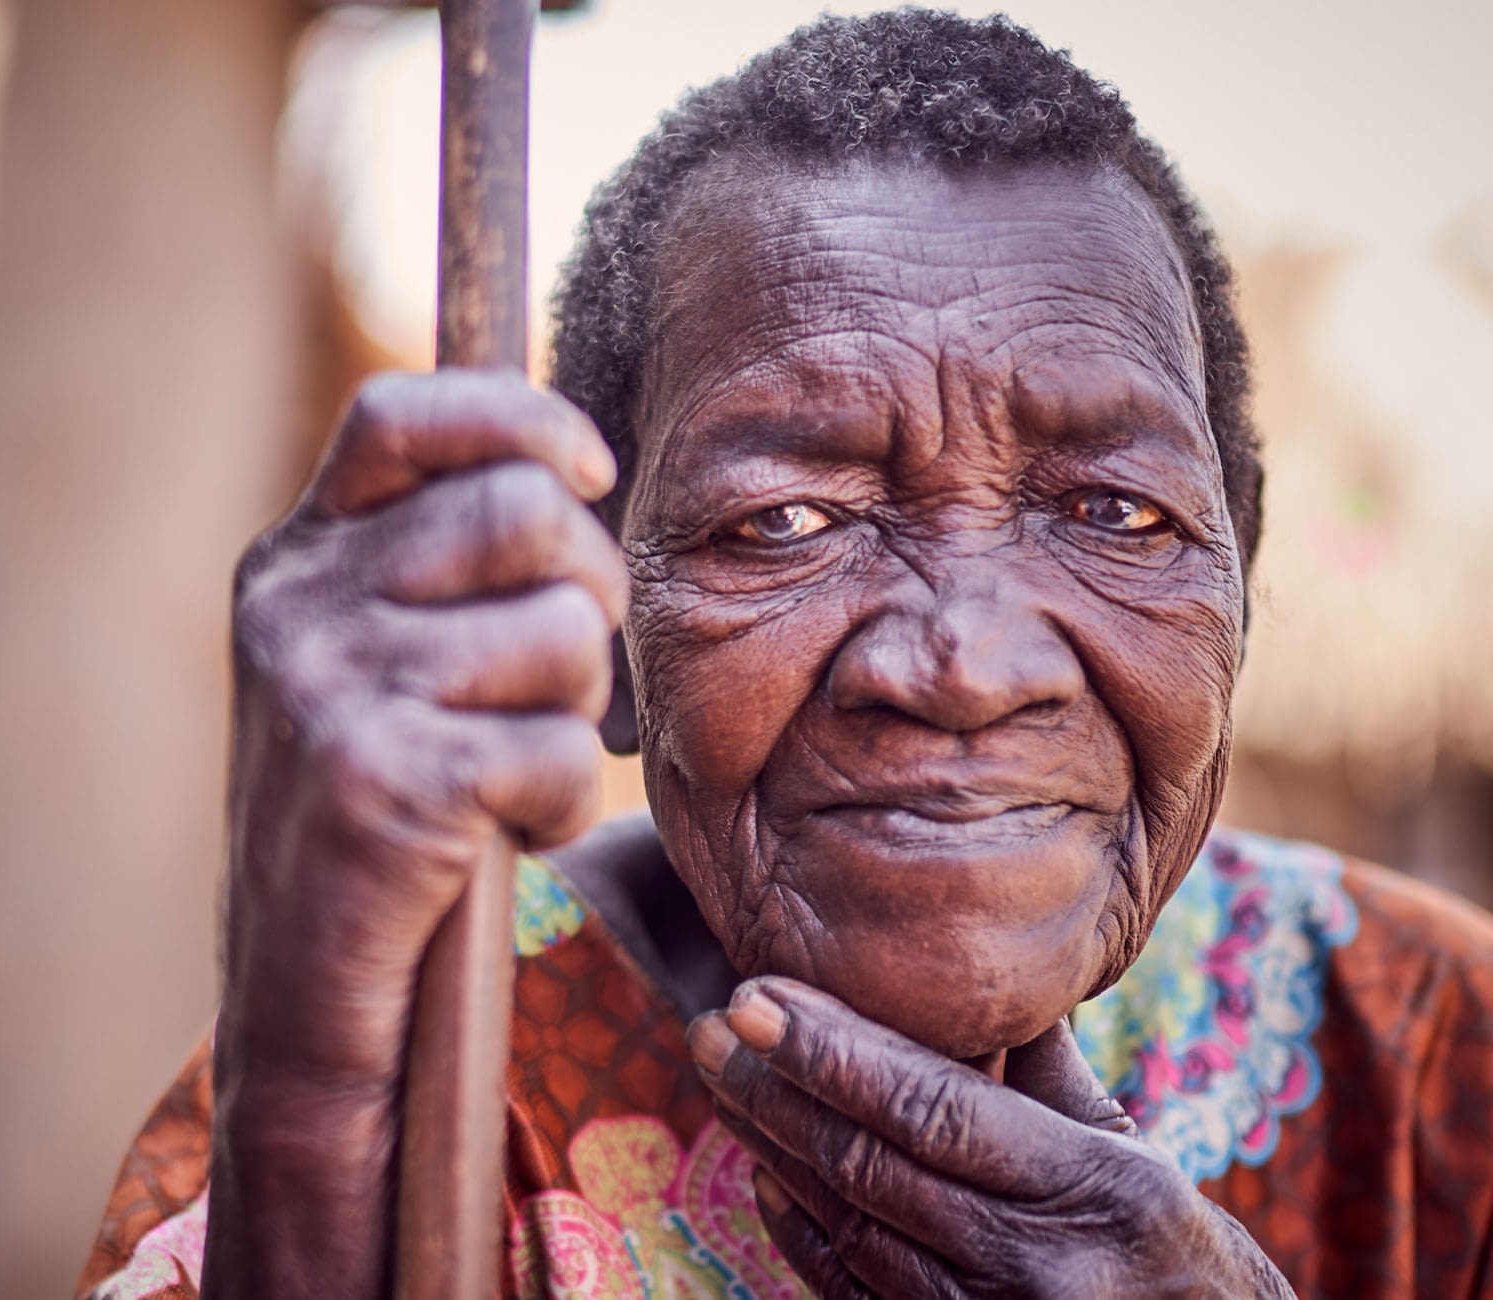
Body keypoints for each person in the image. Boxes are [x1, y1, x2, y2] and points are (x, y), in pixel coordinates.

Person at [78, 11, 1493, 1299]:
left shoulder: (1438, 1051)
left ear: (1239, 580)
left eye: (1114, 513)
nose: (964, 666)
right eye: (788, 521)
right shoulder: (392, 1086)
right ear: (601, 611)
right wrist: (315, 1117)